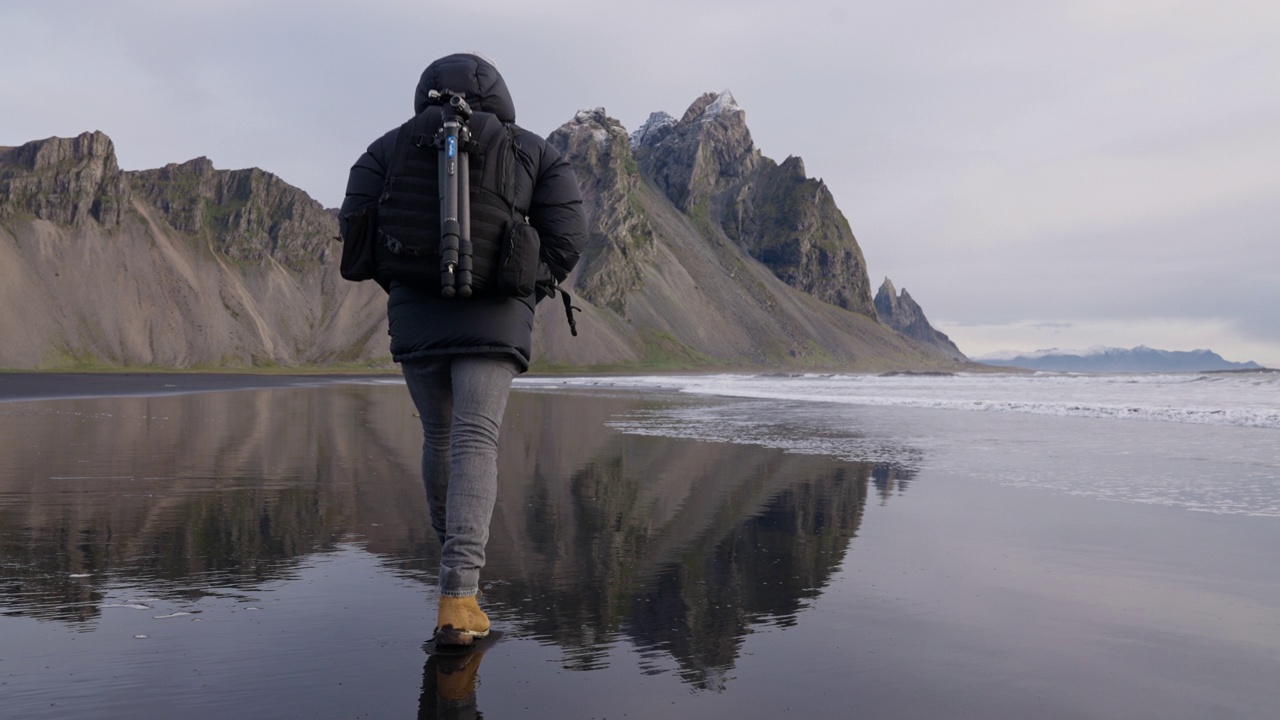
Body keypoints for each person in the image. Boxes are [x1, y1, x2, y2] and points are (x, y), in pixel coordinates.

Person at [339, 53, 586, 646]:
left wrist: (404, 283)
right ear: (501, 95)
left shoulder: (387, 147)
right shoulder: (533, 149)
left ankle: (455, 578)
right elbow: (569, 235)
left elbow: (357, 230)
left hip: (417, 318)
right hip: (496, 318)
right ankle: (459, 595)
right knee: (477, 438)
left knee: (440, 438)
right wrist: (524, 285)